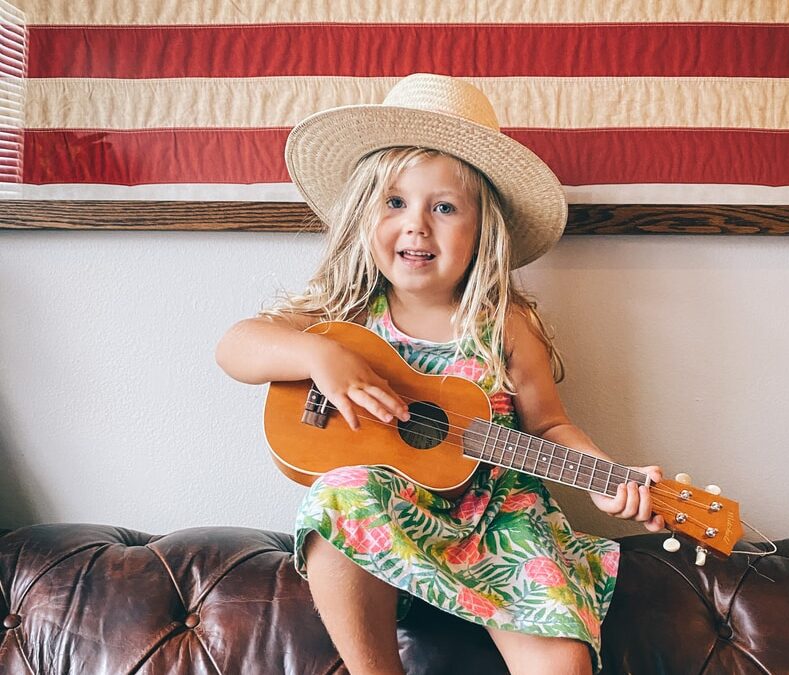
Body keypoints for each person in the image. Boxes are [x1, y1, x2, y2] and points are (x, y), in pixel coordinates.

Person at [216, 73, 664, 675]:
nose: (416, 224)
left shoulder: (505, 323)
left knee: (563, 665)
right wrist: (321, 358)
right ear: (363, 217)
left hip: (501, 520)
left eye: (445, 207)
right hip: (391, 517)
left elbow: (551, 425)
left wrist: (606, 477)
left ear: (483, 229)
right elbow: (235, 347)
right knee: (337, 496)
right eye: (395, 202)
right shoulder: (345, 316)